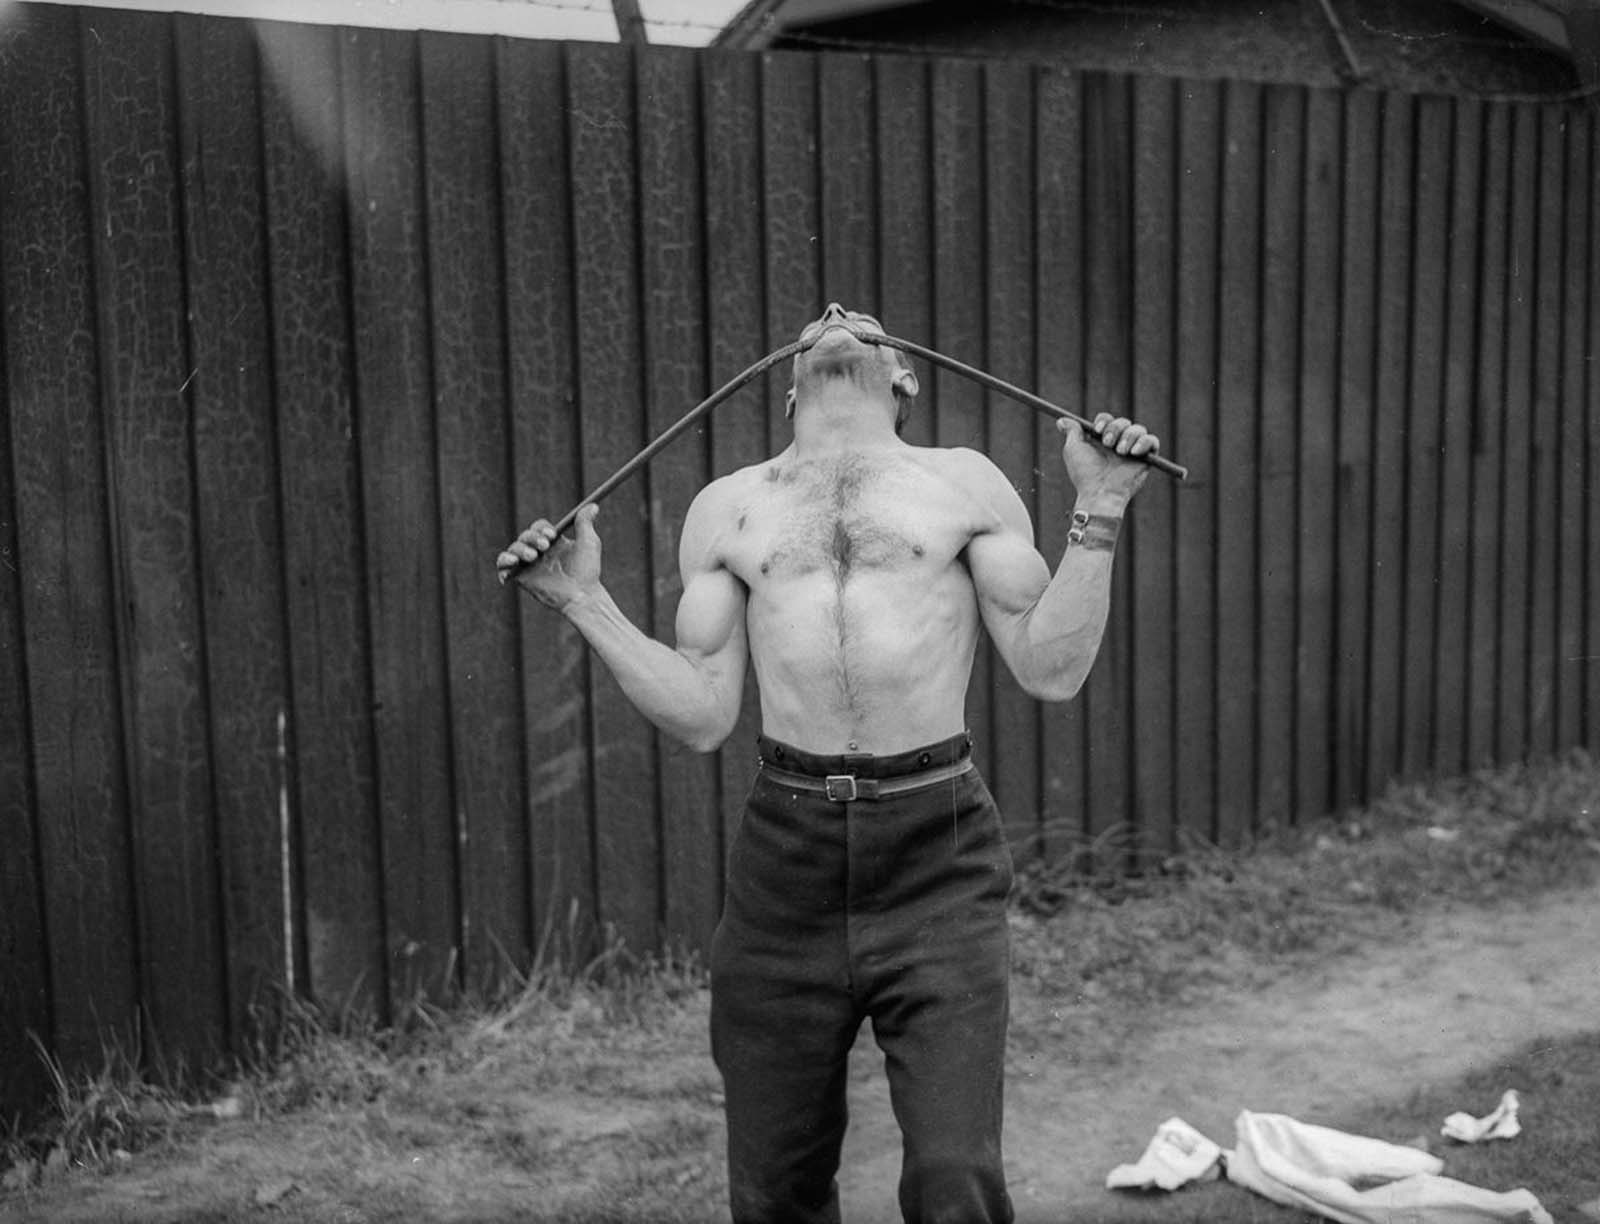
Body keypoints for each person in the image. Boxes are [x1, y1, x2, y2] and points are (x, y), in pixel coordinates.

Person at [497, 303, 1161, 1224]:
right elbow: (700, 713)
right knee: (775, 1188)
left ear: (903, 379)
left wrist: (1103, 503)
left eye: (864, 322)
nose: (838, 314)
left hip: (939, 855)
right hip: (786, 868)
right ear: (787, 389)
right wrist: (583, 601)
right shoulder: (727, 506)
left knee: (954, 1179)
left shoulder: (964, 483)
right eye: (821, 320)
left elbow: (1051, 669)